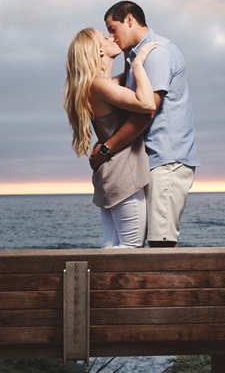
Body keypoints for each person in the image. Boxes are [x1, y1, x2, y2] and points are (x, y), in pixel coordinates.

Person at [90, 1, 200, 248]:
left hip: (166, 160)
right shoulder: (136, 58)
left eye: (113, 28)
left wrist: (106, 149)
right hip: (152, 161)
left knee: (162, 243)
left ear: (129, 20)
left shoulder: (156, 53)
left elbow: (145, 113)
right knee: (154, 243)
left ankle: (171, 288)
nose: (111, 36)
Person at [63, 28, 159, 248]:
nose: (112, 38)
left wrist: (129, 57)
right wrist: (137, 64)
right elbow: (146, 104)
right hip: (123, 174)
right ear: (97, 50)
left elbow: (126, 82)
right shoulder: (99, 84)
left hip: (111, 174)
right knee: (131, 247)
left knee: (111, 244)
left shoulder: (97, 84)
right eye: (105, 38)